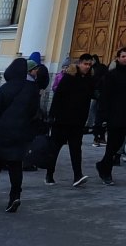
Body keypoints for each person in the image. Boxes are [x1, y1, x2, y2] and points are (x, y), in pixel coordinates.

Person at [0, 57, 42, 212]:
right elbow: (35, 114)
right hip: (20, 134)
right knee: (15, 166)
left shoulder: (4, 89)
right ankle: (15, 196)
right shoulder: (32, 90)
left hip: (0, 133)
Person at [95, 45, 126, 185]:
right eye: (123, 56)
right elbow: (105, 96)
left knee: (118, 144)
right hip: (113, 113)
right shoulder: (111, 74)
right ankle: (107, 172)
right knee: (112, 144)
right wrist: (103, 116)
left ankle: (102, 165)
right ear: (117, 58)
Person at [46, 53, 94, 187]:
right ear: (79, 63)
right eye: (85, 64)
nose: (87, 67)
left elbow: (87, 101)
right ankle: (49, 174)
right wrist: (52, 115)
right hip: (62, 120)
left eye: (90, 65)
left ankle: (77, 175)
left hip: (77, 123)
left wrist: (85, 120)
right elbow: (58, 97)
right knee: (55, 149)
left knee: (76, 150)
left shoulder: (89, 80)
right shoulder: (69, 77)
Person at [89, 55, 108, 146]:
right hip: (97, 98)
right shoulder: (91, 69)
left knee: (98, 118)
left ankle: (98, 138)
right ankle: (100, 137)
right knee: (99, 117)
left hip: (99, 97)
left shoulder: (98, 70)